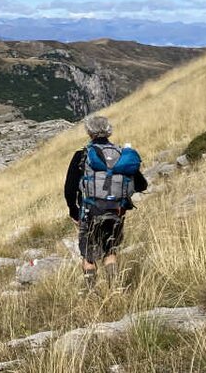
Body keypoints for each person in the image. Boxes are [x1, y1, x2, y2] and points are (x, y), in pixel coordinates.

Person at [63, 115, 147, 292]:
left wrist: (73, 211)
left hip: (90, 211)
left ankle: (90, 293)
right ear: (109, 131)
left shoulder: (83, 155)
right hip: (116, 211)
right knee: (110, 251)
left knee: (88, 255)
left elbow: (70, 188)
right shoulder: (122, 154)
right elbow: (142, 185)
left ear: (89, 132)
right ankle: (115, 290)